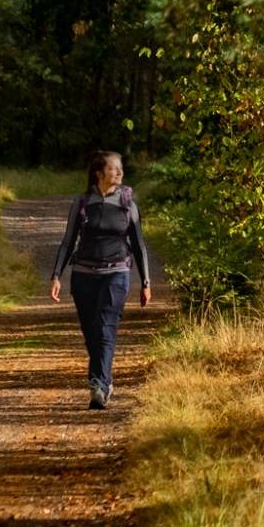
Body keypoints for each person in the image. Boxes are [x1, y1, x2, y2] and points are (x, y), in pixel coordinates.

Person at [49, 150, 152, 409]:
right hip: (84, 276)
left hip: (117, 274)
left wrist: (146, 282)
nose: (119, 173)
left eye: (120, 169)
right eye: (113, 169)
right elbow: (67, 241)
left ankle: (99, 385)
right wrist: (56, 276)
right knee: (91, 333)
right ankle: (102, 379)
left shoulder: (128, 203)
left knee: (106, 328)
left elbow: (138, 245)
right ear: (99, 173)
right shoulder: (83, 202)